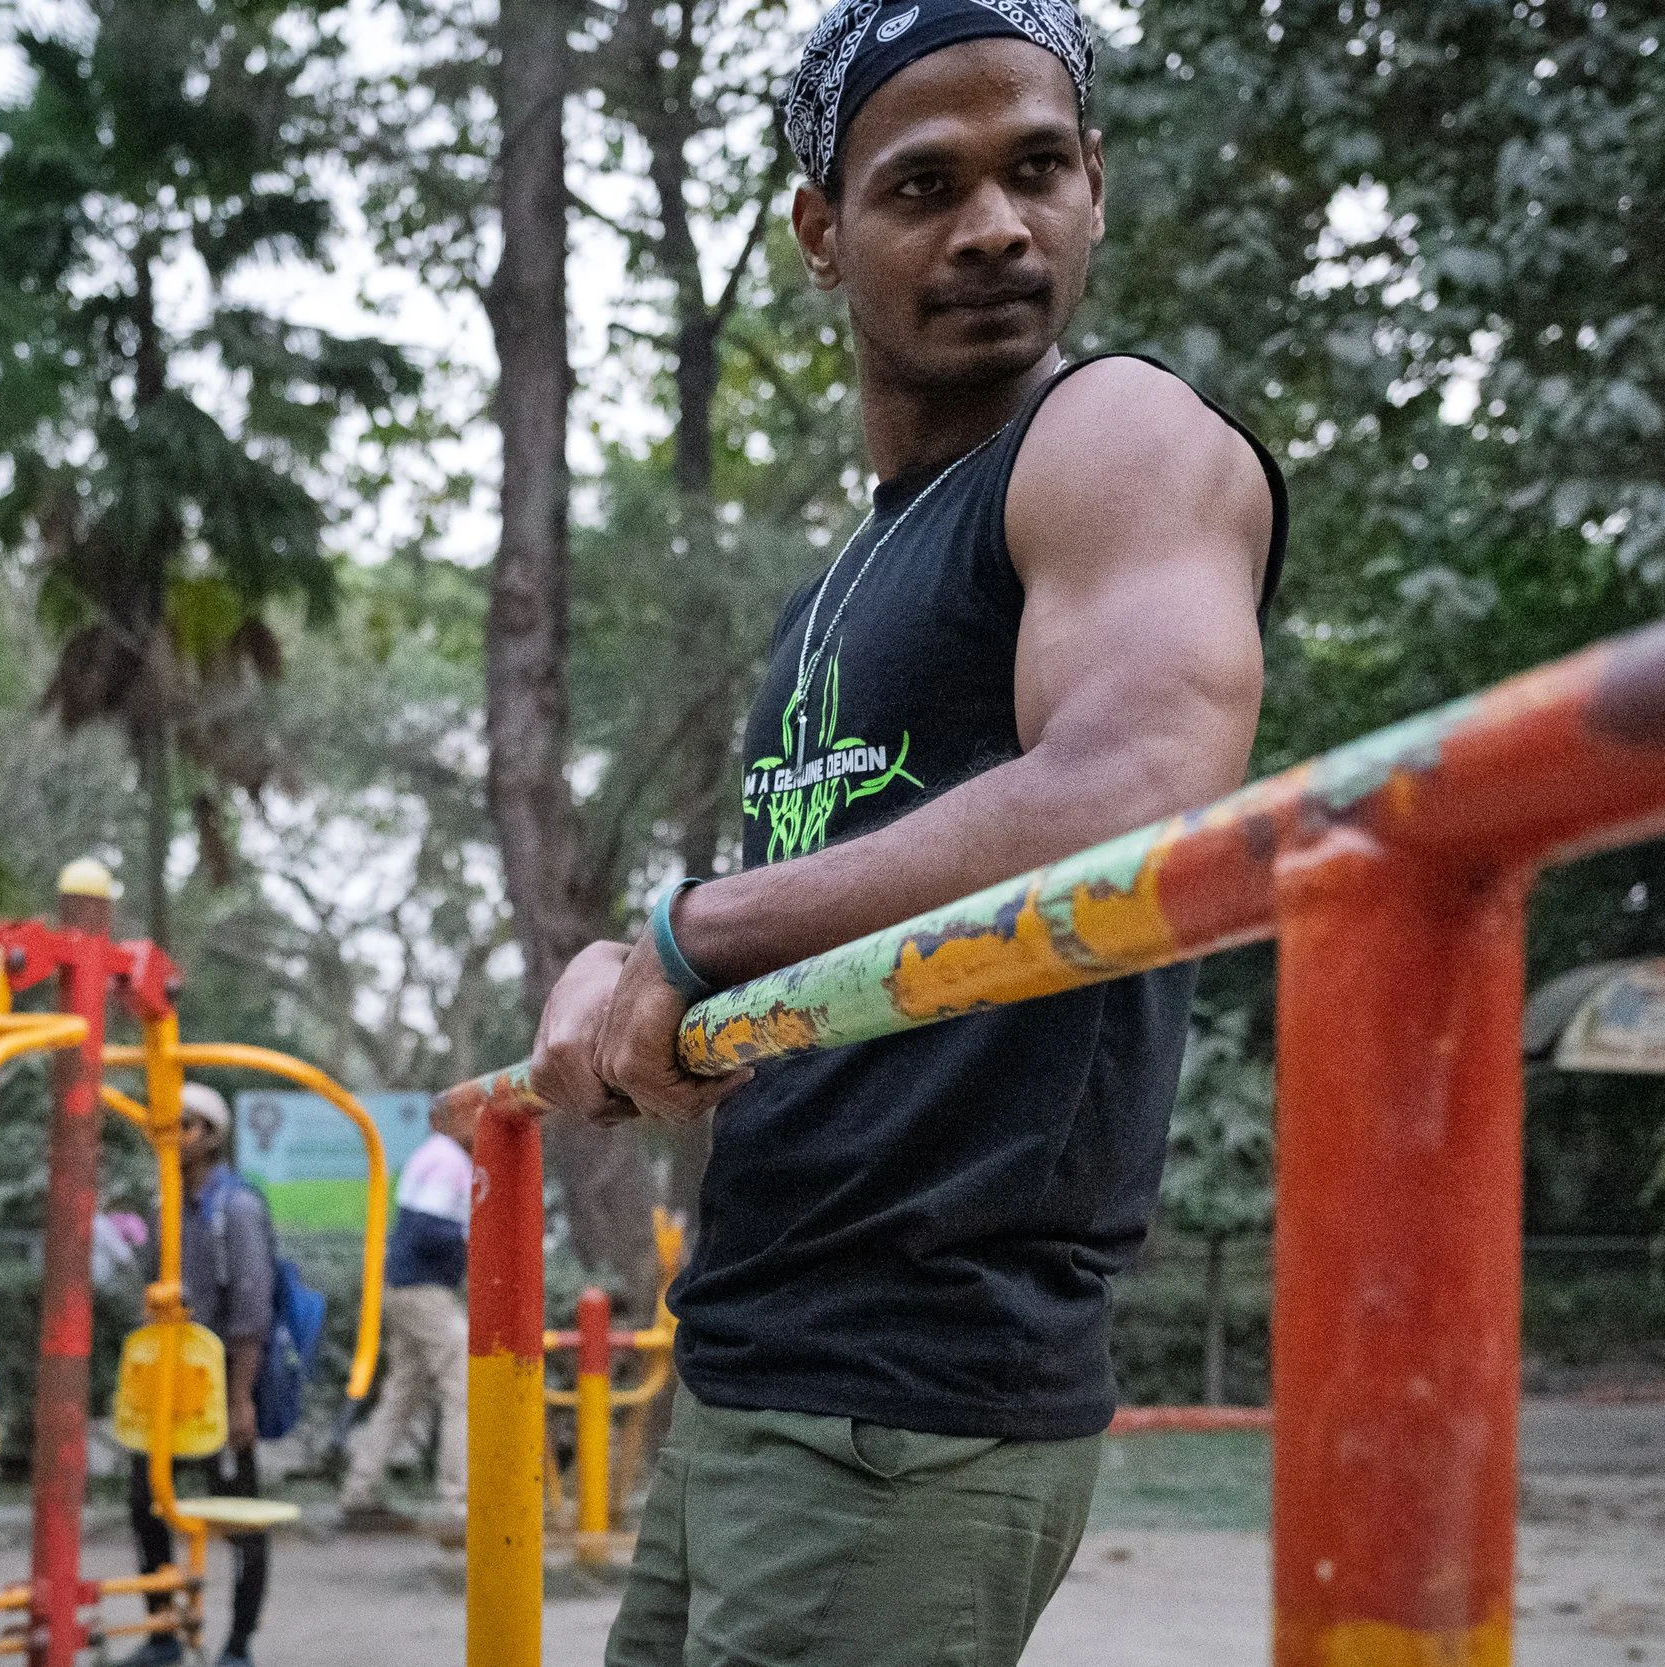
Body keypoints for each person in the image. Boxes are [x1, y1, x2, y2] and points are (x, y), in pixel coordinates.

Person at [528, 2, 1286, 1661]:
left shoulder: (1122, 439)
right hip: (752, 1366)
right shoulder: (844, 583)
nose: (997, 224)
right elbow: (795, 945)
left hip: (916, 1394)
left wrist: (686, 932)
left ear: (1094, 187)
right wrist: (647, 979)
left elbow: (1143, 785)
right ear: (822, 230)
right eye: (926, 185)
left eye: (1039, 170)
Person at [123, 1083, 274, 1667]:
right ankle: (164, 1632)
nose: (173, 1137)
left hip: (221, 1388)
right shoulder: (163, 1204)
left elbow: (250, 1312)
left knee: (237, 1513)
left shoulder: (235, 1208)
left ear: (212, 1137)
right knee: (146, 1505)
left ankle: (237, 1644)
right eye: (166, 1125)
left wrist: (240, 1400)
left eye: (185, 1126)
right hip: (166, 1388)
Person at [338, 1097, 474, 1538]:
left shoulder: (433, 1152)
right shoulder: (450, 1158)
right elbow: (427, 1228)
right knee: (465, 1385)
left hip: (403, 1283)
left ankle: (360, 1489)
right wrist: (475, 1240)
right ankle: (458, 1503)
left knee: (404, 1390)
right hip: (424, 1288)